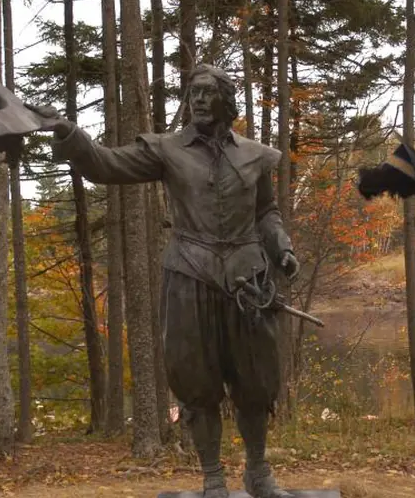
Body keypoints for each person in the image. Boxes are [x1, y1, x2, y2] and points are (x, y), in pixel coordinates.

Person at [28, 64, 298, 498]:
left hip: (249, 281)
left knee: (254, 380)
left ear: (226, 102)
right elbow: (107, 164)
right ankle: (213, 478)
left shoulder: (254, 154)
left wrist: (282, 247)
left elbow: (266, 212)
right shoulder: (166, 150)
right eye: (193, 93)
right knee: (196, 380)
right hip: (190, 277)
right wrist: (70, 134)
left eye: (208, 93)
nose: (198, 100)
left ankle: (259, 473)